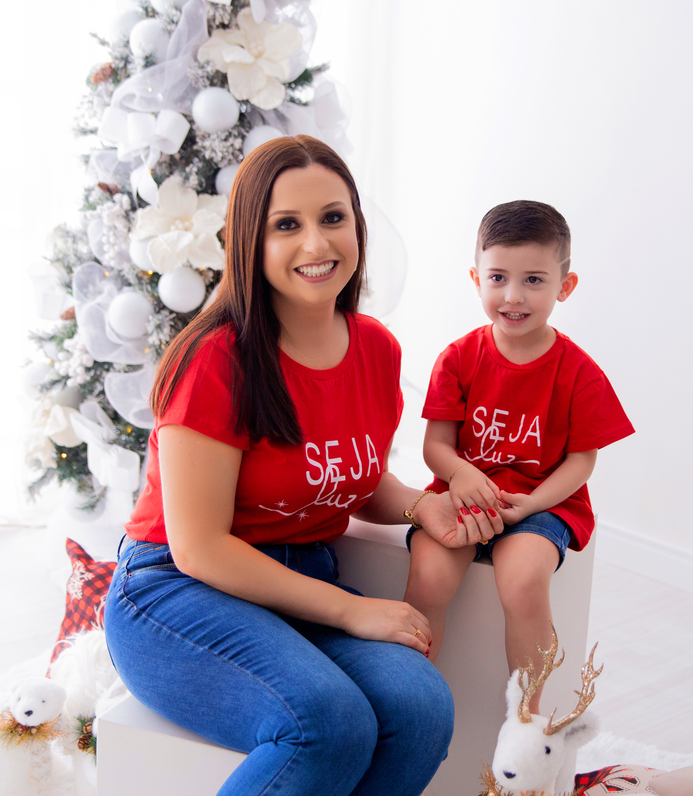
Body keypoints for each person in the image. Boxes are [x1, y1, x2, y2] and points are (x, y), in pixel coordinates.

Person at [103, 135, 501, 796]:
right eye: (287, 225)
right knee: (329, 722)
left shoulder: (375, 349)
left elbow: (346, 470)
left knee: (421, 708)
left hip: (298, 578)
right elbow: (198, 547)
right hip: (177, 593)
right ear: (250, 244)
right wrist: (351, 612)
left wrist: (417, 503)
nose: (317, 245)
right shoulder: (213, 359)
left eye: (333, 217)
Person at [403, 200, 634, 712]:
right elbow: (435, 446)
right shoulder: (459, 357)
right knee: (429, 578)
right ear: (476, 278)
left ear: (564, 286)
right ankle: (410, 700)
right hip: (463, 495)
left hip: (541, 504)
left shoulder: (578, 372)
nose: (513, 296)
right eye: (498, 277)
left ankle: (527, 721)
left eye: (533, 280)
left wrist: (529, 507)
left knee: (523, 581)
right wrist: (462, 476)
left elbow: (581, 461)